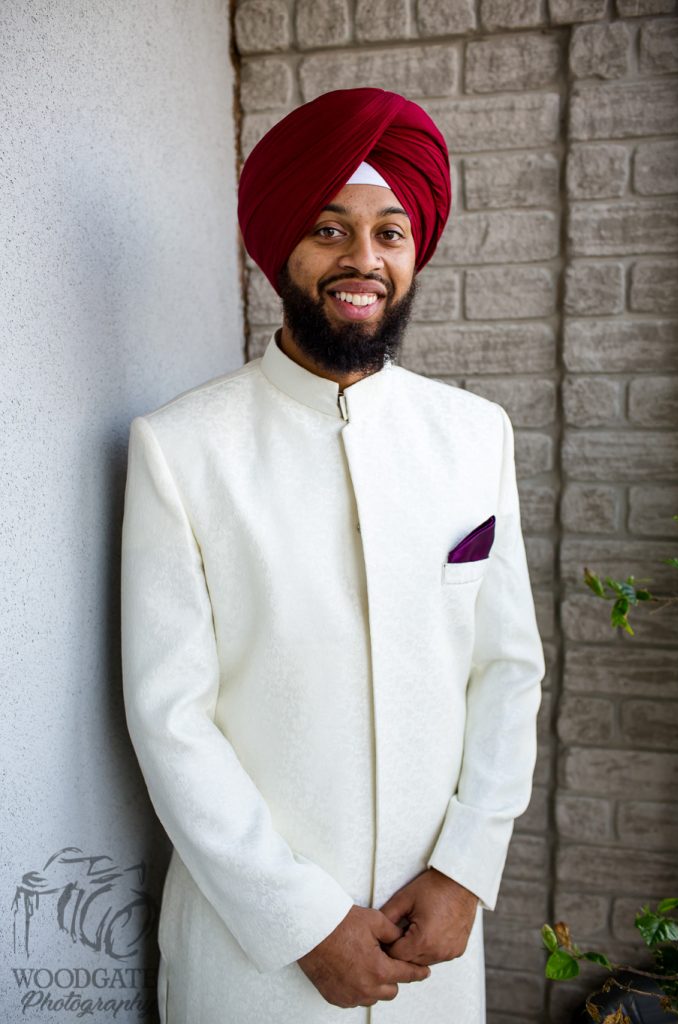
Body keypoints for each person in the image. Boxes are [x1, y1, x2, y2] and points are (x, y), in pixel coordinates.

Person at [120, 87, 544, 1024]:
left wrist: (466, 869)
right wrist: (300, 920)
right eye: (329, 229)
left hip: (428, 939)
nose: (364, 260)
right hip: (253, 957)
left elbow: (506, 668)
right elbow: (169, 717)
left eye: (390, 232)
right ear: (283, 250)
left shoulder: (475, 436)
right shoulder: (181, 448)